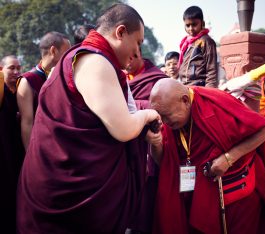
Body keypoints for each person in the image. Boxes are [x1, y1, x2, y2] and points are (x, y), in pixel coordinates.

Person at [16, 4, 160, 234]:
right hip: (73, 194)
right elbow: (123, 129)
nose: (138, 52)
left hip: (51, 181)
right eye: (138, 42)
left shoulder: (73, 58)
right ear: (120, 32)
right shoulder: (95, 61)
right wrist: (148, 114)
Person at [148, 78, 265, 233]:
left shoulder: (214, 102)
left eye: (168, 116)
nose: (165, 123)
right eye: (162, 117)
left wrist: (229, 158)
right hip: (196, 191)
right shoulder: (171, 120)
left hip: (234, 191)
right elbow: (166, 164)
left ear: (185, 101)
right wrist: (155, 143)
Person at [125, 50, 166, 233]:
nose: (125, 64)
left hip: (151, 142)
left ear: (136, 54)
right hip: (128, 145)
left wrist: (138, 110)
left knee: (149, 199)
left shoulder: (157, 78)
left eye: (128, 58)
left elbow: (164, 107)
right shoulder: (117, 76)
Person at [17, 31, 71, 150]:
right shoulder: (28, 80)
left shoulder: (65, 75)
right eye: (66, 52)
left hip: (63, 144)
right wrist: (30, 154)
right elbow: (27, 122)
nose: (69, 57)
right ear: (53, 51)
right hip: (41, 146)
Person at [0, 55, 24, 234]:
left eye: (18, 68)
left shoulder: (22, 91)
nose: (16, 72)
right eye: (11, 68)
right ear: (2, 70)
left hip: (19, 152)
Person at [178, 6, 218, 87]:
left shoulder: (206, 41)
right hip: (186, 87)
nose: (191, 28)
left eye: (194, 24)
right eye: (187, 25)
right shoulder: (186, 43)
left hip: (199, 87)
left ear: (202, 23)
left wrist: (209, 93)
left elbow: (212, 71)